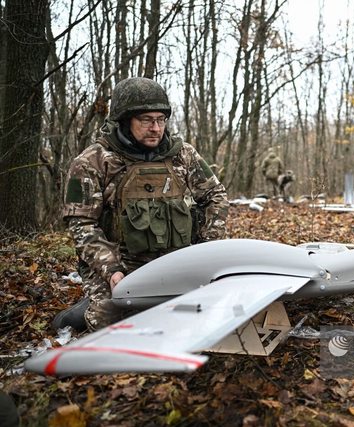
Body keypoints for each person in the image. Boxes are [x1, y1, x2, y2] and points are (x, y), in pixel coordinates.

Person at [54, 77, 229, 331]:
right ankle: (79, 313)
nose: (156, 128)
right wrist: (111, 269)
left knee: (207, 313)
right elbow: (82, 224)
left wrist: (206, 250)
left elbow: (216, 196)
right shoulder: (93, 161)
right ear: (125, 121)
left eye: (161, 120)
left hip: (177, 258)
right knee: (110, 323)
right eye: (146, 120)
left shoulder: (183, 154)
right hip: (120, 263)